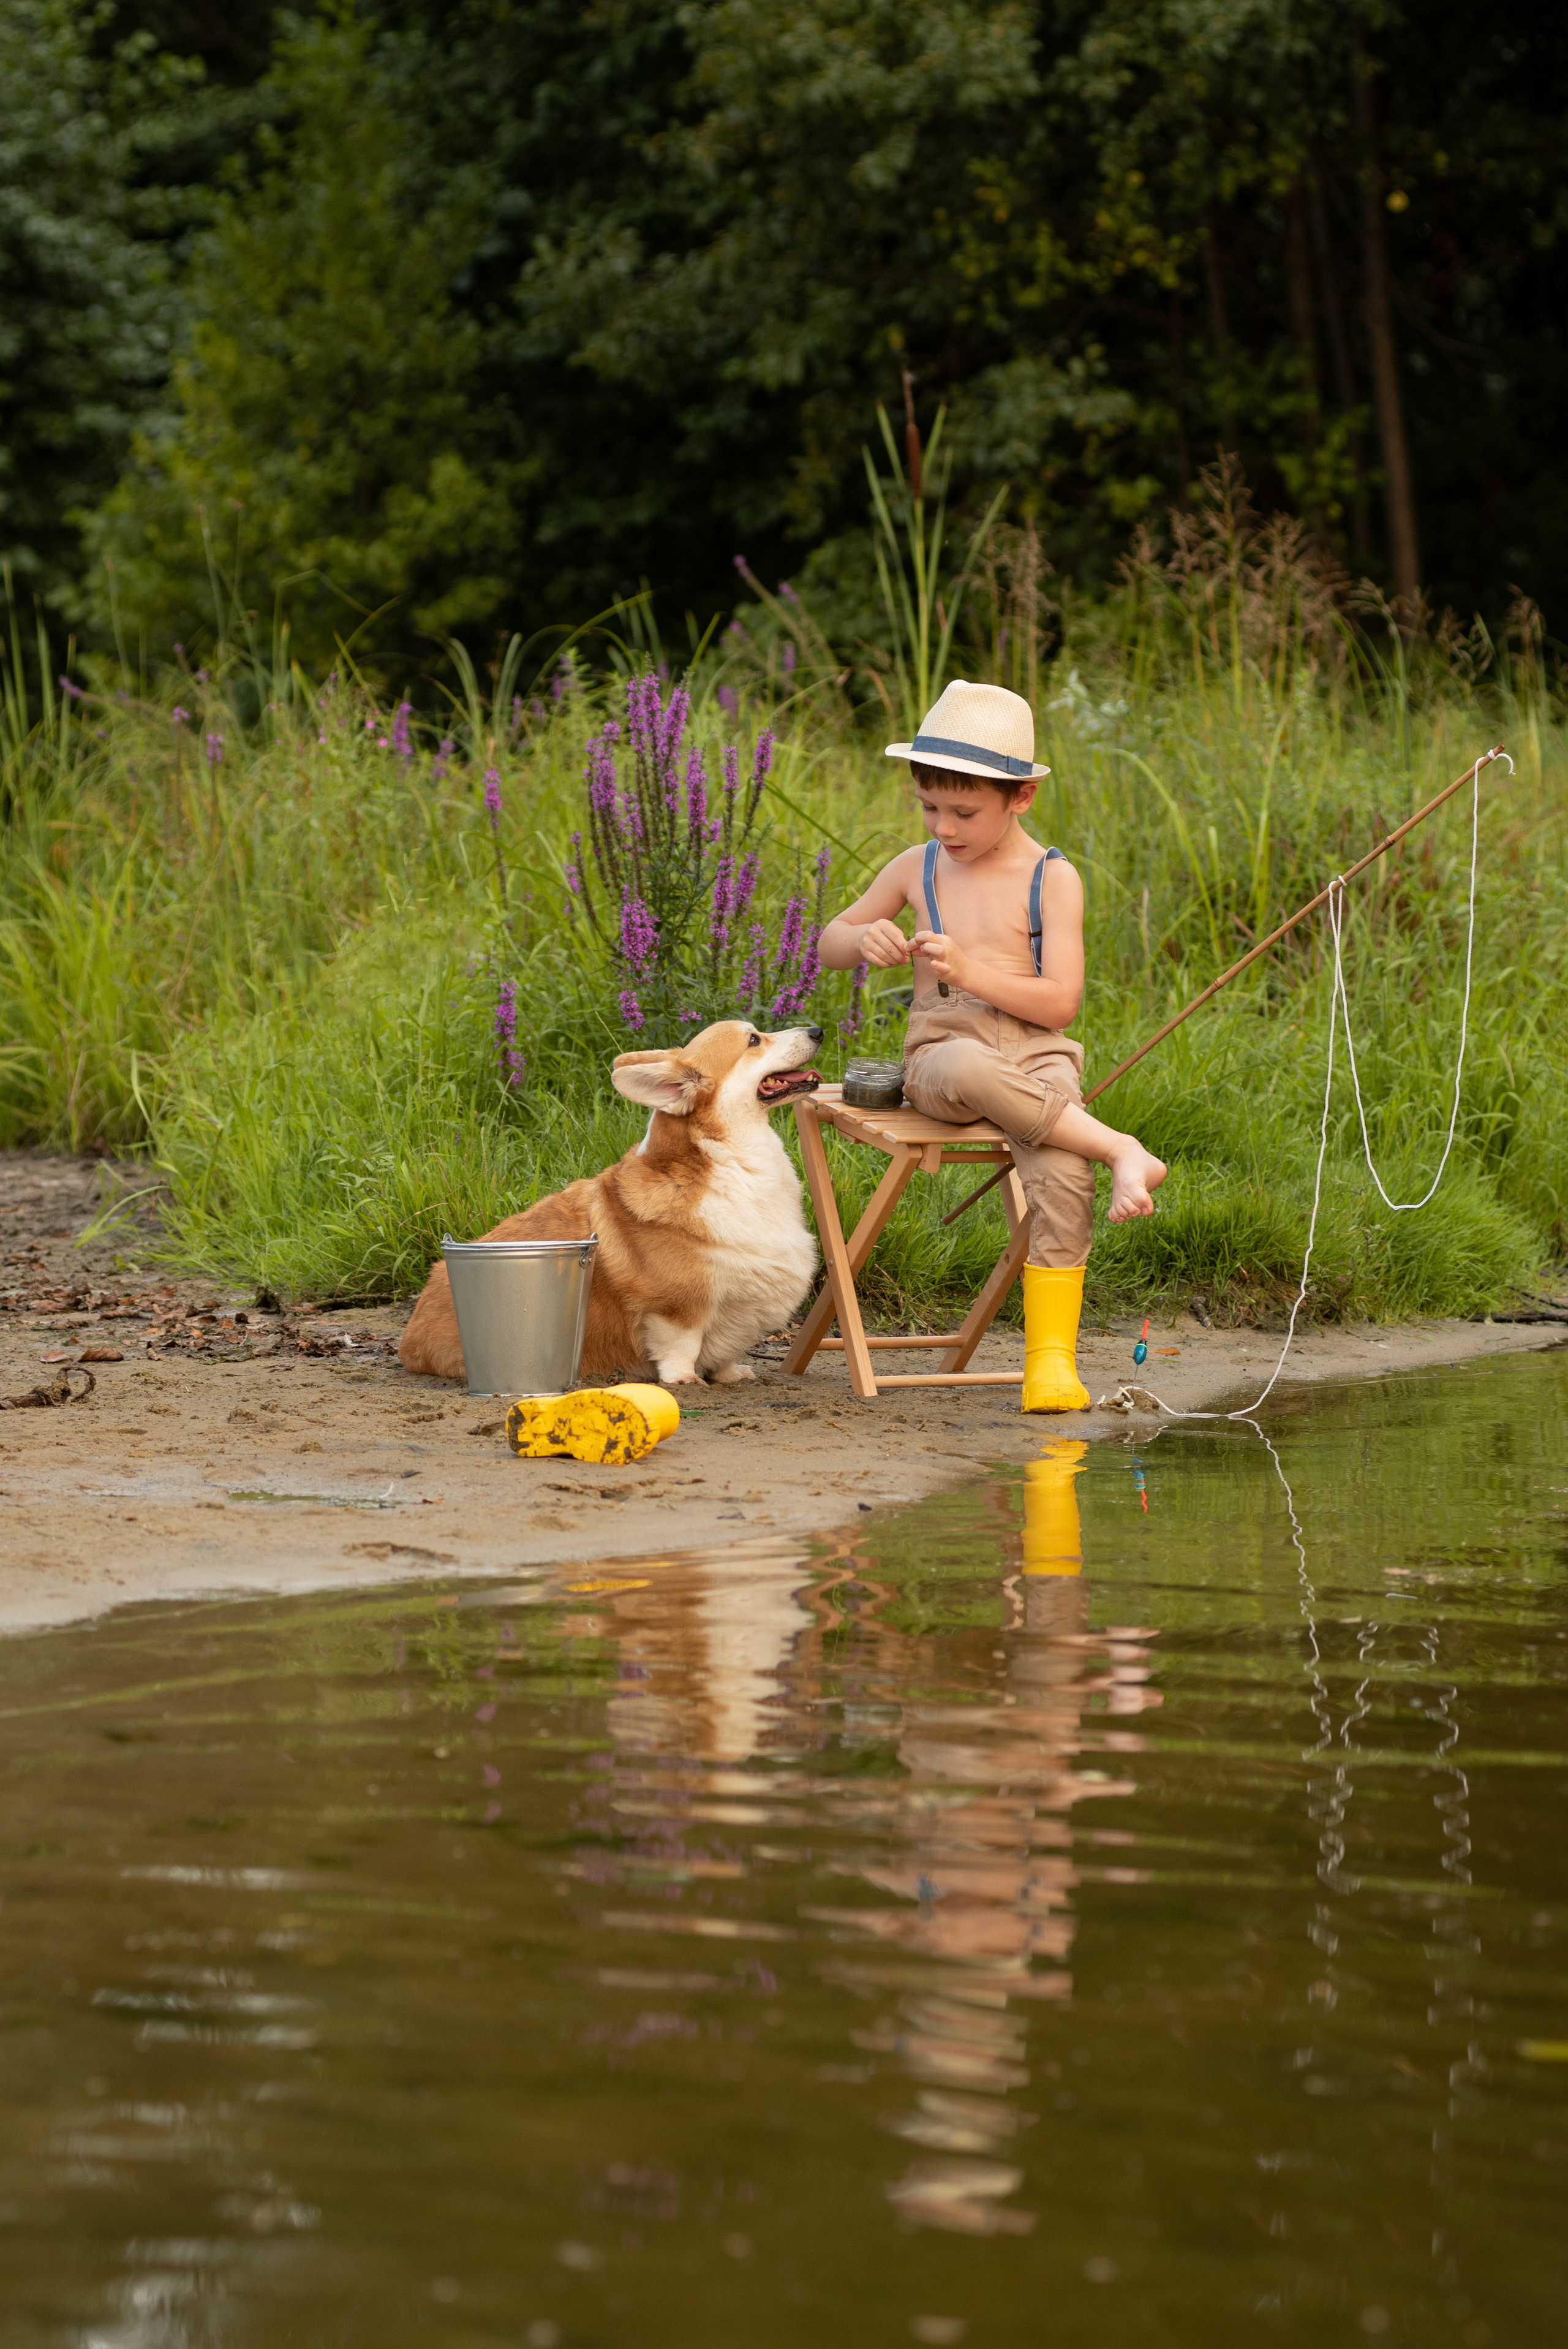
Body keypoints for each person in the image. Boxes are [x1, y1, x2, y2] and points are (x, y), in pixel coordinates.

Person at [818, 678, 1166, 1411]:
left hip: (1037, 1058)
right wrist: (864, 938)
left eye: (964, 811)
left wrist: (973, 970)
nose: (944, 826)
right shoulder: (916, 867)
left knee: (1061, 1170)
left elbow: (1060, 1003)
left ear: (1020, 799)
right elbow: (827, 944)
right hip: (944, 1058)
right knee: (973, 1066)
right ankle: (1119, 1147)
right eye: (930, 807)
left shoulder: (1052, 878)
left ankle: (1049, 1363)